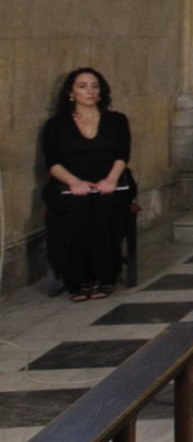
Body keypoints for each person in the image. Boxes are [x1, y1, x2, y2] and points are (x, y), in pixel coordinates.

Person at [42, 68, 132, 301]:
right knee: (75, 210)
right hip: (69, 181)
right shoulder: (55, 126)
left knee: (105, 207)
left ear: (101, 92)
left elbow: (122, 155)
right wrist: (74, 182)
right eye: (82, 86)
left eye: (95, 86)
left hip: (110, 179)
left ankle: (105, 276)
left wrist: (110, 180)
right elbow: (52, 163)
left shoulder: (116, 120)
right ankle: (77, 279)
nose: (90, 91)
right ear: (71, 92)